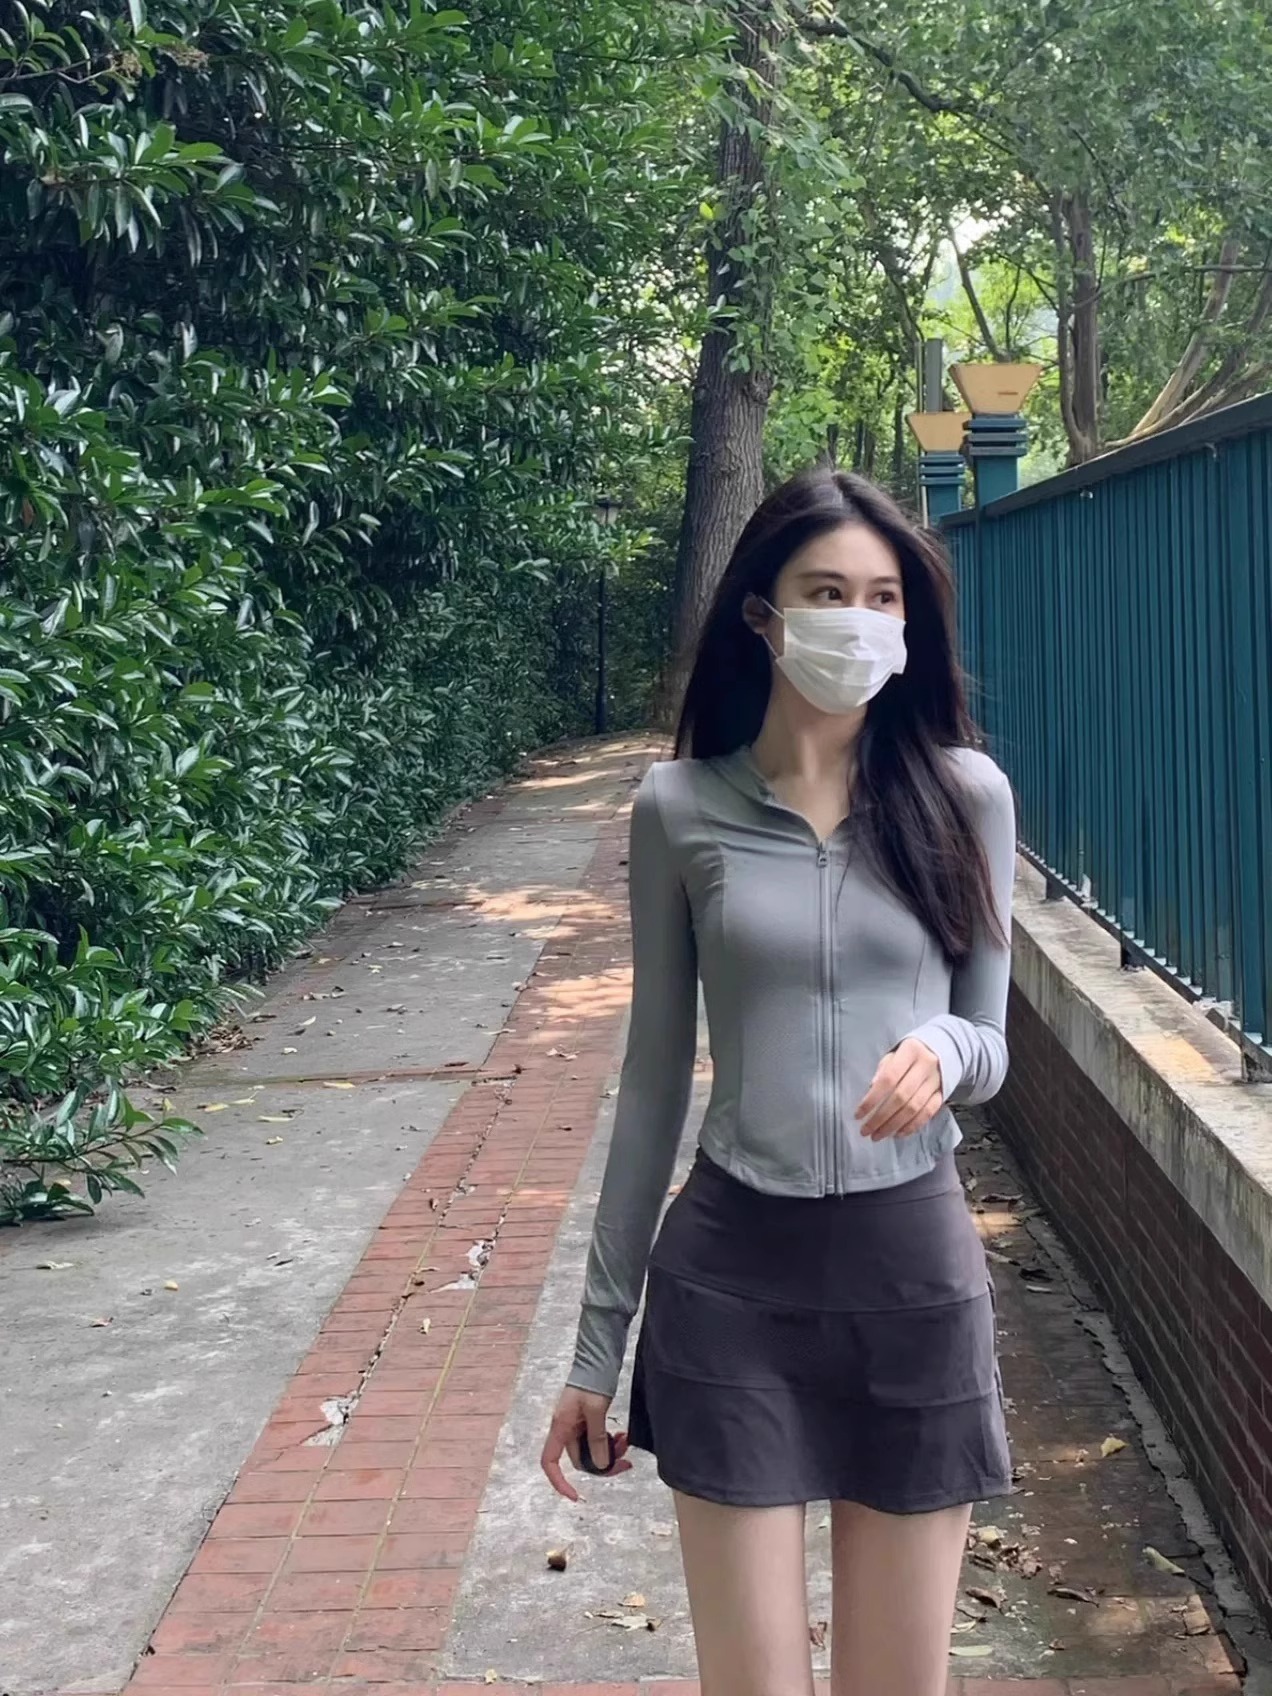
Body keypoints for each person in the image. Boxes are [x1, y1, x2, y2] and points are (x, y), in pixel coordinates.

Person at [540, 466, 1016, 1696]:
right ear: (764, 613)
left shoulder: (965, 795)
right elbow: (652, 1082)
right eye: (827, 592)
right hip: (731, 1281)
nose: (859, 620)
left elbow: (990, 1037)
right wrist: (595, 1349)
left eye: (883, 597)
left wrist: (944, 1049)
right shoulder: (677, 807)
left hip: (911, 1276)